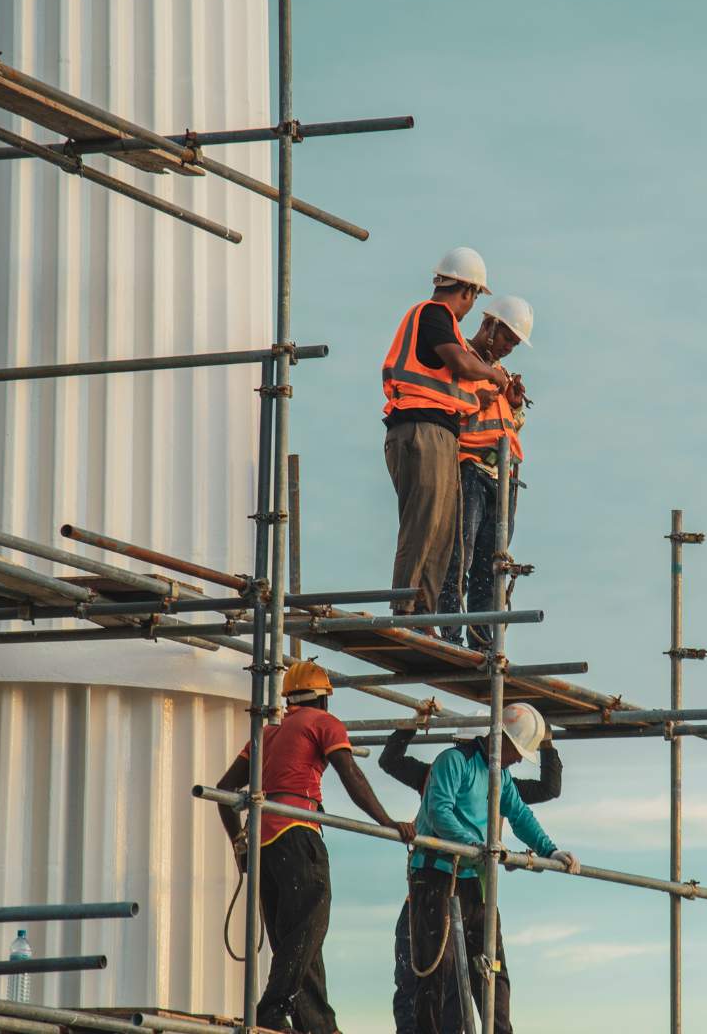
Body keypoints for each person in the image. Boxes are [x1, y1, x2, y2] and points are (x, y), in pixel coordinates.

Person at [216, 659, 417, 1034]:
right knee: (310, 926)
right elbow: (351, 774)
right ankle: (271, 1010)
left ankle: (318, 1025)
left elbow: (224, 793)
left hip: (263, 842)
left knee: (295, 938)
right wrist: (387, 821)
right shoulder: (323, 723)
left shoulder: (267, 734)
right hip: (297, 830)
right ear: (323, 699)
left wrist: (240, 845)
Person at [381, 716, 563, 1033]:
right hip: (438, 876)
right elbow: (439, 811)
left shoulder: (501, 776)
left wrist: (550, 851)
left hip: (474, 881)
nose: (520, 758)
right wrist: (474, 845)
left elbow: (520, 813)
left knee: (492, 968)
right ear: (500, 737)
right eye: (518, 749)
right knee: (438, 970)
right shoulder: (454, 762)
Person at [382, 248, 511, 623]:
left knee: (441, 532)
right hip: (420, 430)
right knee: (423, 524)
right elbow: (458, 362)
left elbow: (449, 382)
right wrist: (492, 375)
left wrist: (483, 395)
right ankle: (406, 609)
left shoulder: (442, 326)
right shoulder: (434, 314)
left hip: (436, 431)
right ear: (468, 291)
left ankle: (424, 613)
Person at [437, 296, 534, 651]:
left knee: (489, 566)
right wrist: (488, 394)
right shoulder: (461, 358)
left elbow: (510, 426)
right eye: (507, 337)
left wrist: (515, 403)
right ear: (490, 325)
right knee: (458, 554)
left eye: (514, 342)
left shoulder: (498, 373)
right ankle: (449, 632)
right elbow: (453, 408)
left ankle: (481, 641)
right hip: (470, 469)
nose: (509, 347)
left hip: (502, 476)